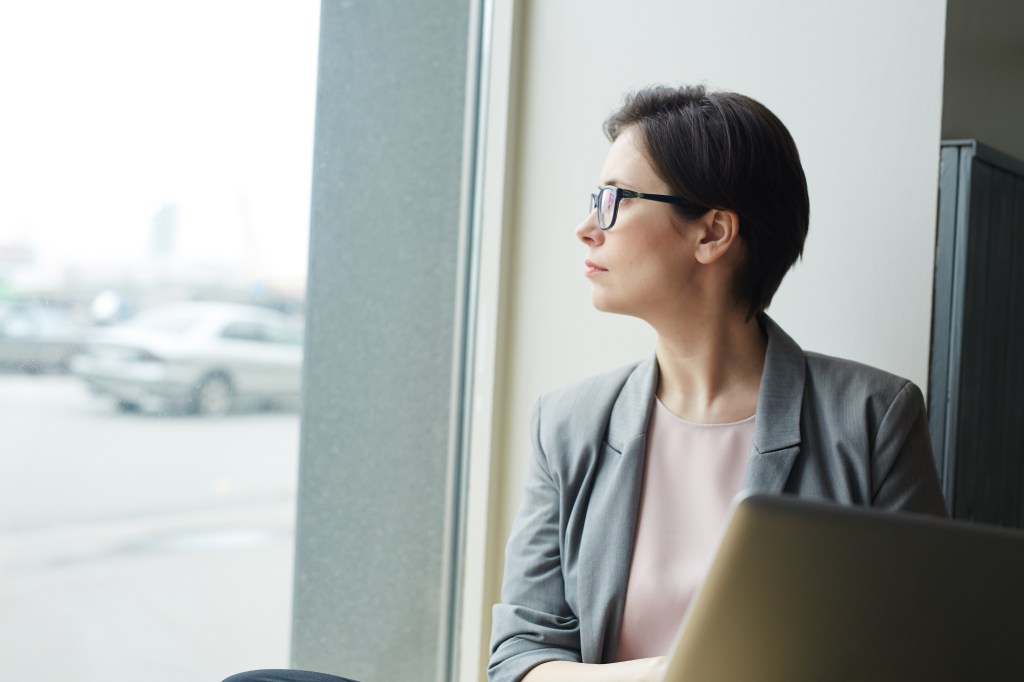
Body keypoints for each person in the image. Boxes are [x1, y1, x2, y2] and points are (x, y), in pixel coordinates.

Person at [486, 84, 948, 682]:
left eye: (613, 200)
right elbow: (518, 658)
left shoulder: (873, 418)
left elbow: (926, 651)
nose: (585, 228)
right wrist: (676, 673)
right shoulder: (567, 424)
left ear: (712, 233)